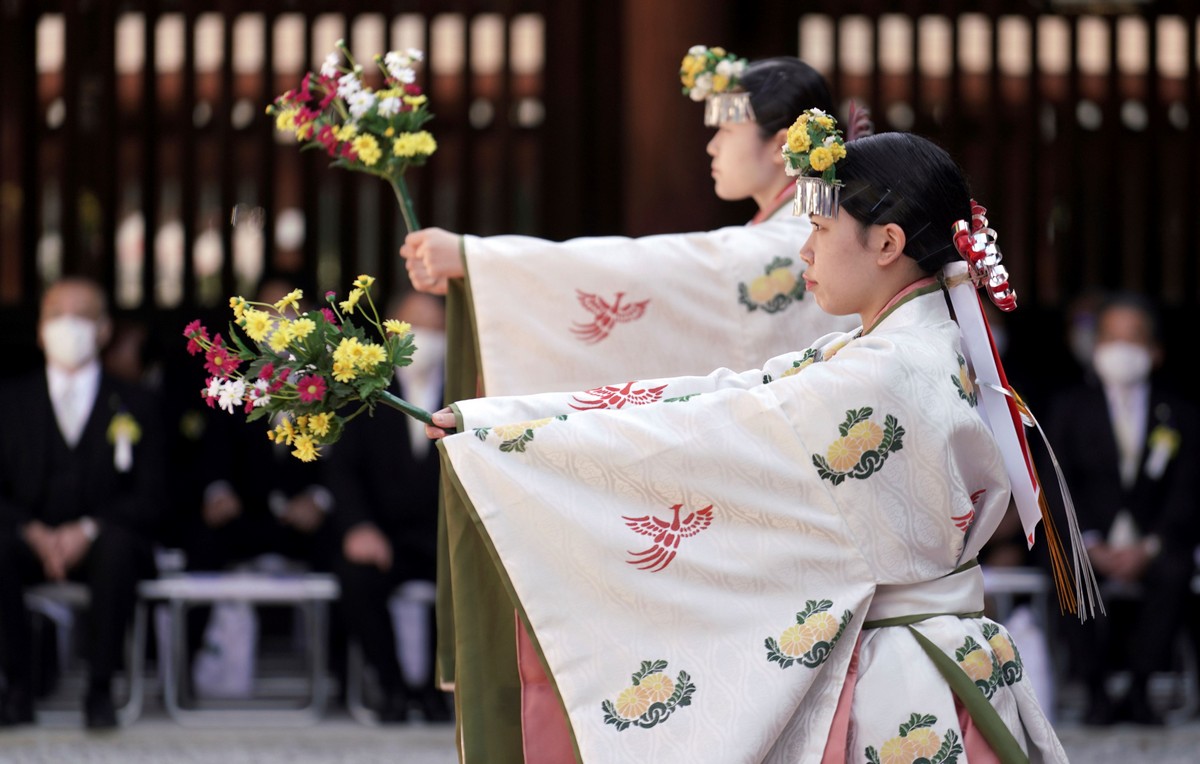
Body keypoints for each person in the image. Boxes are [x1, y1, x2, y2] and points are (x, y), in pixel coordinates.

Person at [425, 126, 1079, 761]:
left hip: (903, 684)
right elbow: (728, 392)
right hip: (938, 659)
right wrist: (510, 423)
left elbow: (718, 422)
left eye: (819, 231)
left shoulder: (884, 369)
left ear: (886, 243)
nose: (804, 254)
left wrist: (514, 437)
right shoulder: (903, 345)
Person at [403, 47, 865, 761]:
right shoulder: (781, 237)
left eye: (724, 129)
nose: (710, 146)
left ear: (780, 145)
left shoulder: (791, 248)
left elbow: (665, 271)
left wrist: (484, 261)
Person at [0, 276, 167, 729]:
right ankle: (16, 687)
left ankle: (100, 689)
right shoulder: (10, 401)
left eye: (81, 316)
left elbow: (154, 494)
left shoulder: (138, 402)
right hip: (26, 538)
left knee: (117, 549)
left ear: (104, 329)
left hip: (103, 539)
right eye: (56, 315)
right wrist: (31, 531)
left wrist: (87, 529)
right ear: (39, 329)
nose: (67, 327)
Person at [1042, 291, 1199, 726]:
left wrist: (1150, 546)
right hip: (1089, 539)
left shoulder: (1180, 413)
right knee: (1064, 566)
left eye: (1132, 339)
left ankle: (1142, 688)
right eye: (1110, 337)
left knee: (1175, 569)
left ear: (1155, 350)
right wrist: (1089, 540)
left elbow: (1188, 486)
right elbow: (1056, 481)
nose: (1120, 349)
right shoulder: (1068, 408)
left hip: (1154, 539)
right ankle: (1093, 689)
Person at [323, 290, 450, 723]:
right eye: (413, 328)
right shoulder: (361, 389)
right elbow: (342, 469)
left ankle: (438, 691)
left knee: (466, 578)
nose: (424, 340)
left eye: (435, 330)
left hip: (444, 536)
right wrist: (358, 525)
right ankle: (391, 686)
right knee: (354, 575)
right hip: (383, 533)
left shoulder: (465, 388)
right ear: (388, 333)